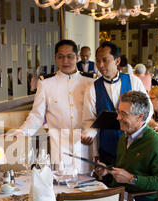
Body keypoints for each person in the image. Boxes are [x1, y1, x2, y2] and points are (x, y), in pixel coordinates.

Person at [11, 39, 97, 173]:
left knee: (87, 186)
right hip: (59, 147)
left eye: (70, 56)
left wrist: (91, 132)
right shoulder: (46, 83)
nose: (65, 61)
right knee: (61, 188)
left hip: (86, 145)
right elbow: (36, 115)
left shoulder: (90, 81)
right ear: (55, 58)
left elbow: (96, 114)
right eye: (60, 57)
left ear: (77, 57)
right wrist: (22, 132)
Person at [81, 41, 149, 170]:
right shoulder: (92, 88)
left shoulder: (133, 81)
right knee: (110, 183)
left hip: (135, 144)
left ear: (117, 61)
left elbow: (147, 110)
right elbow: (89, 119)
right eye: (98, 61)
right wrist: (88, 134)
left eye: (105, 60)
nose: (100, 65)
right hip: (107, 147)